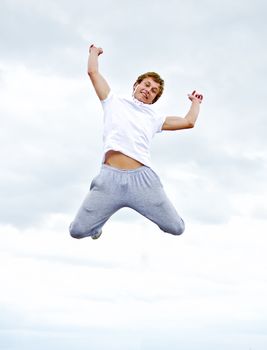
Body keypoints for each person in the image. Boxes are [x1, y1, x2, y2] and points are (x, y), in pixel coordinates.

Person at [69, 44, 203, 240]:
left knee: (176, 227)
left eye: (154, 91)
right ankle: (96, 226)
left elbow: (188, 122)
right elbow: (92, 72)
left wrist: (195, 103)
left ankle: (100, 217)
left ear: (154, 99)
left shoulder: (154, 117)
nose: (149, 90)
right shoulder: (112, 101)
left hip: (142, 181)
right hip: (109, 180)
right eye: (146, 85)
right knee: (77, 231)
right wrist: (93, 52)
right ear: (136, 85)